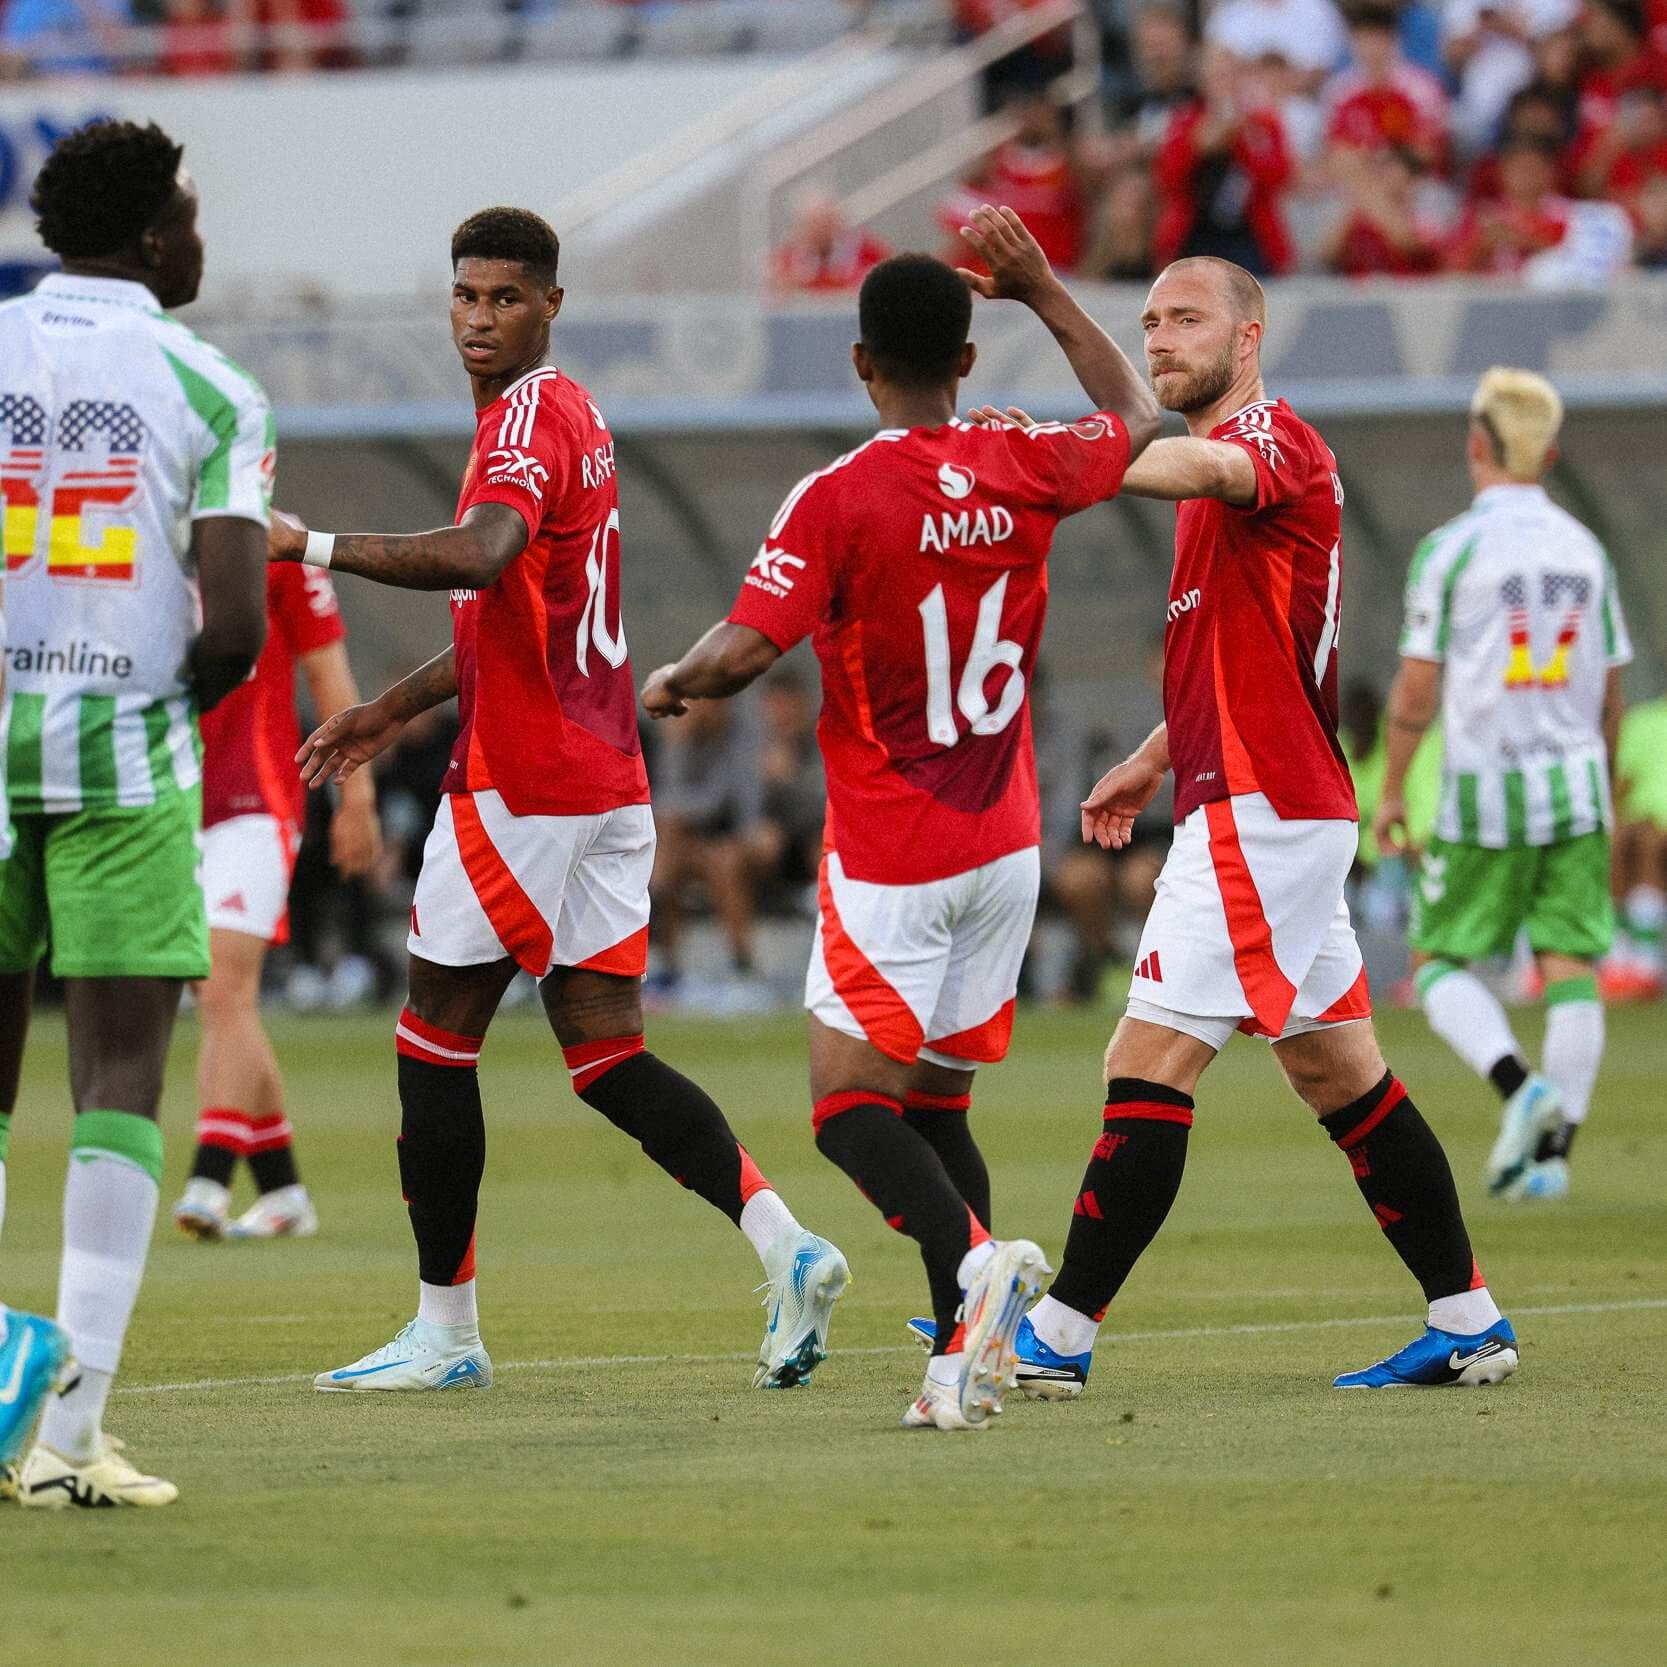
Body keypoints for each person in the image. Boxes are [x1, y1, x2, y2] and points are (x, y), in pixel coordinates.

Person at [272, 206, 847, 1396]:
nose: (480, 319)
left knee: (433, 1040)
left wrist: (306, 541)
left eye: (504, 298)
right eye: (465, 296)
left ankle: (445, 1331)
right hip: (602, 776)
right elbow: (512, 612)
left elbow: (481, 554)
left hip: (525, 784)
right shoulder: (572, 418)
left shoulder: (528, 415)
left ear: (550, 305)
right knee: (605, 1054)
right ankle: (786, 1245)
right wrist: (390, 708)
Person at [951, 241, 1517, 1399]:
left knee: (1145, 1056)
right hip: (1264, 801)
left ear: (1245, 339)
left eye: (1183, 320)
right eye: (1148, 321)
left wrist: (1050, 432)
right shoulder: (1219, 485)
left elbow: (1182, 466)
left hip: (1262, 816)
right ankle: (1467, 1320)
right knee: (1337, 1070)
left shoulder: (1273, 446)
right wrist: (1154, 758)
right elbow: (1259, 661)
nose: (1159, 339)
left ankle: (1054, 1334)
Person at [640, 225, 1163, 1430]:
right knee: (934, 1106)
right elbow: (1138, 419)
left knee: (843, 1108)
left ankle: (976, 1264)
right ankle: (955, 1363)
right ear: (968, 359)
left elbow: (746, 645)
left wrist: (677, 678)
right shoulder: (1024, 459)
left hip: (892, 848)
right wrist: (1040, 287)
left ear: (863, 362)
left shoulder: (837, 496)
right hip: (1003, 840)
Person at [0, 119, 269, 1506]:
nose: (201, 239)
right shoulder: (208, 385)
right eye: (194, 215)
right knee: (117, 1078)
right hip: (120, 764)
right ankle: (67, 1436)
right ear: (158, 234)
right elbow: (233, 623)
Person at [1376, 369, 1632, 1203]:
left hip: (1484, 791)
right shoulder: (1586, 550)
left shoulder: (1452, 548)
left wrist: (1390, 792)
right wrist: (1602, 782)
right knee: (1569, 965)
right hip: (1576, 786)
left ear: (1475, 446)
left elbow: (1417, 688)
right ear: (1550, 455)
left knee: (1435, 957)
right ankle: (1551, 1159)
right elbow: (1609, 688)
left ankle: (1520, 1088)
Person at [171, 564, 381, 1242]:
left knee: (221, 986)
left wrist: (357, 795)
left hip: (255, 799)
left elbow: (328, 676)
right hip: (169, 800)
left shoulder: (281, 545)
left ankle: (209, 1175)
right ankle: (283, 1190)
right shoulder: (153, 525)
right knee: (223, 997)